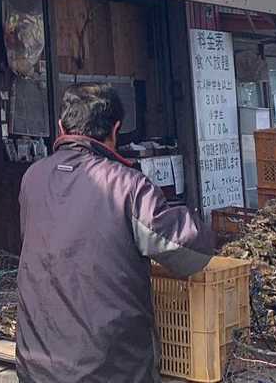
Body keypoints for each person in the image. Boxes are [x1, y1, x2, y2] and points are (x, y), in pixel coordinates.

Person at [16, 83, 215, 383]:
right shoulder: (129, 186)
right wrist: (209, 231)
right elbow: (185, 247)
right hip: (111, 369)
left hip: (36, 366)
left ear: (61, 127)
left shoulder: (33, 177)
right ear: (116, 130)